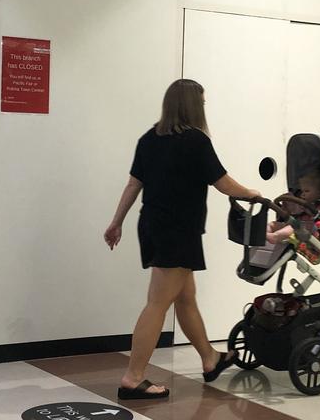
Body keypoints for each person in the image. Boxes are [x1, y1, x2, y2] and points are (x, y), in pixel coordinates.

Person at [103, 79, 261, 401]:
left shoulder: (149, 139)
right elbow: (223, 183)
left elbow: (134, 184)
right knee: (158, 302)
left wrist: (116, 222)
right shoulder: (195, 140)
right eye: (201, 103)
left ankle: (209, 359)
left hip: (153, 226)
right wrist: (252, 193)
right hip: (178, 230)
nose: (203, 108)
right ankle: (133, 378)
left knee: (185, 297)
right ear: (192, 106)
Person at [265, 171, 320, 264]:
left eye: (306, 191)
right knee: (273, 224)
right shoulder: (302, 203)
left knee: (291, 228)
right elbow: (293, 213)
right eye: (302, 191)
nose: (302, 194)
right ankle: (265, 234)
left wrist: (307, 208)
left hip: (311, 237)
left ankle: (274, 237)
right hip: (297, 228)